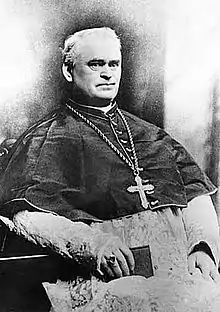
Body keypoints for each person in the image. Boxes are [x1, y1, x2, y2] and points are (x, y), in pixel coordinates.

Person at [0, 27, 220, 311]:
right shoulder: (47, 137)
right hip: (104, 280)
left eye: (113, 64)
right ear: (69, 71)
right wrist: (93, 247)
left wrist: (202, 247)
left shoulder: (152, 136)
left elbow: (193, 194)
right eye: (95, 64)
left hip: (181, 274)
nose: (107, 73)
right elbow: (23, 214)